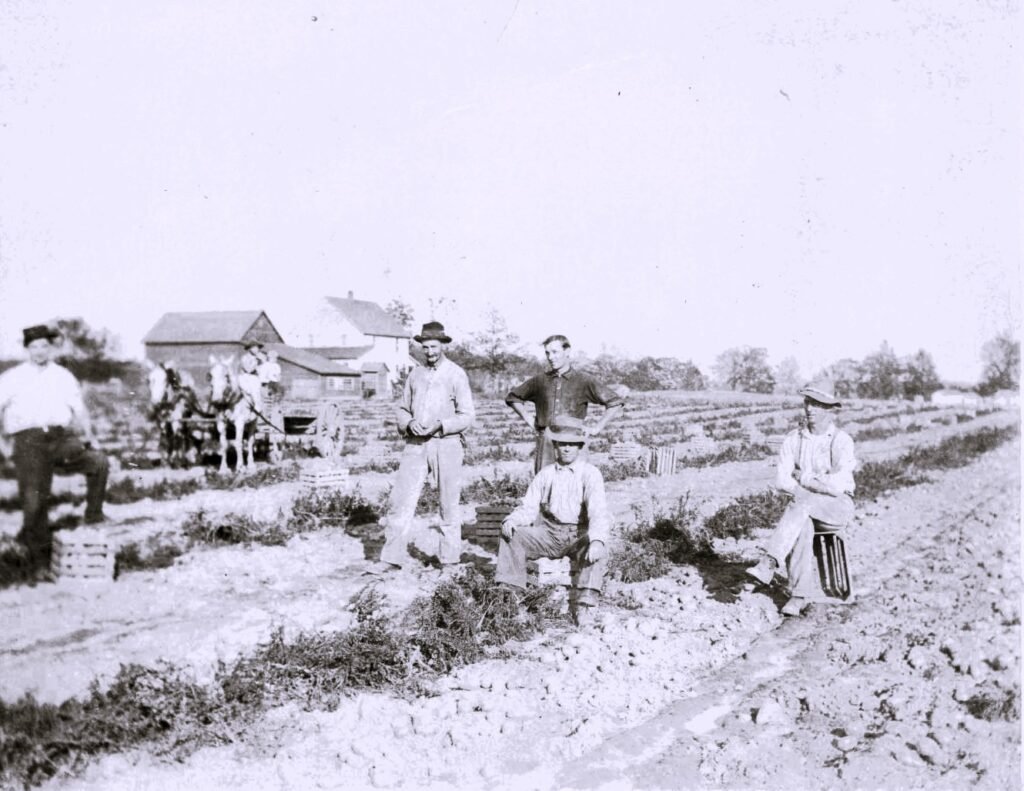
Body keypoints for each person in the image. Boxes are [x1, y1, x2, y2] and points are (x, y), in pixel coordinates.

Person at [746, 378, 857, 616]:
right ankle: (798, 596)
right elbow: (782, 481)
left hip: (837, 508)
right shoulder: (793, 439)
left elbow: (838, 486)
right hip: (804, 508)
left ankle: (769, 563)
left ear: (830, 410)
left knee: (801, 503)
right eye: (808, 402)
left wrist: (804, 478)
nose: (810, 409)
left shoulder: (841, 441)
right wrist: (815, 485)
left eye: (817, 404)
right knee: (802, 521)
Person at [0, 324, 110, 562]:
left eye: (44, 346)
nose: (39, 351)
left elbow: (79, 410)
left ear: (50, 348)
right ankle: (36, 555)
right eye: (34, 347)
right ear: (26, 349)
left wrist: (91, 438)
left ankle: (93, 517)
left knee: (98, 462)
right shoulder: (12, 378)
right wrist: (3, 444)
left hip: (60, 439)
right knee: (35, 498)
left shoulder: (62, 375)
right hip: (28, 441)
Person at [495, 415, 610, 625]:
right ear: (555, 447)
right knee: (513, 536)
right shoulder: (545, 474)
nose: (566, 449)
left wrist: (597, 540)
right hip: (549, 533)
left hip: (577, 535)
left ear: (579, 447)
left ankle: (585, 604)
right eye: (562, 444)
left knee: (597, 547)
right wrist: (512, 520)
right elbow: (528, 507)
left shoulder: (590, 473)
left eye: (571, 445)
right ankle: (510, 598)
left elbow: (598, 511)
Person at [378, 321, 475, 570]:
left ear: (443, 345)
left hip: (446, 444)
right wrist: (409, 423)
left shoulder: (456, 374)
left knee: (448, 503)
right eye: (425, 347)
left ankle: (450, 561)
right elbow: (401, 408)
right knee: (401, 501)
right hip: (416, 444)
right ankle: (391, 558)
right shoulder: (415, 374)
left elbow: (467, 416)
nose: (429, 352)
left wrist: (441, 424)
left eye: (433, 347)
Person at [506, 334, 626, 472]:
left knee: (575, 484)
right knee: (545, 484)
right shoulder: (539, 381)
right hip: (547, 442)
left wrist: (597, 428)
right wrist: (529, 419)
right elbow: (513, 397)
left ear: (567, 351)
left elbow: (615, 402)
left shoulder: (584, 380)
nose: (550, 357)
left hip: (575, 442)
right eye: (547, 353)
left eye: (555, 352)